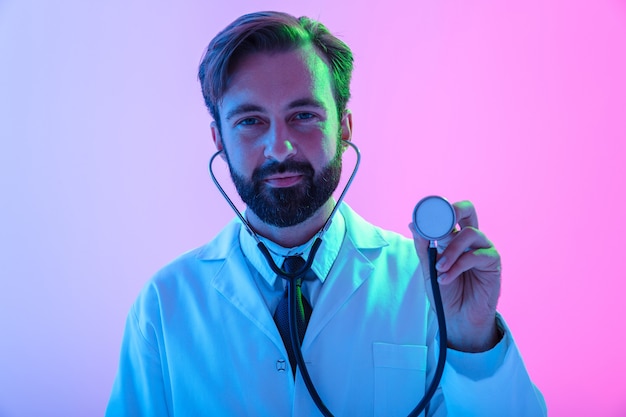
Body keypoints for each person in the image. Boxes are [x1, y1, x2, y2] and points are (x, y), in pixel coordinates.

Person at [106, 11, 547, 416]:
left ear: (345, 127)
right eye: (250, 121)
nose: (279, 147)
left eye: (303, 115)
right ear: (218, 139)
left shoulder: (428, 284)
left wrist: (473, 341)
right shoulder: (165, 306)